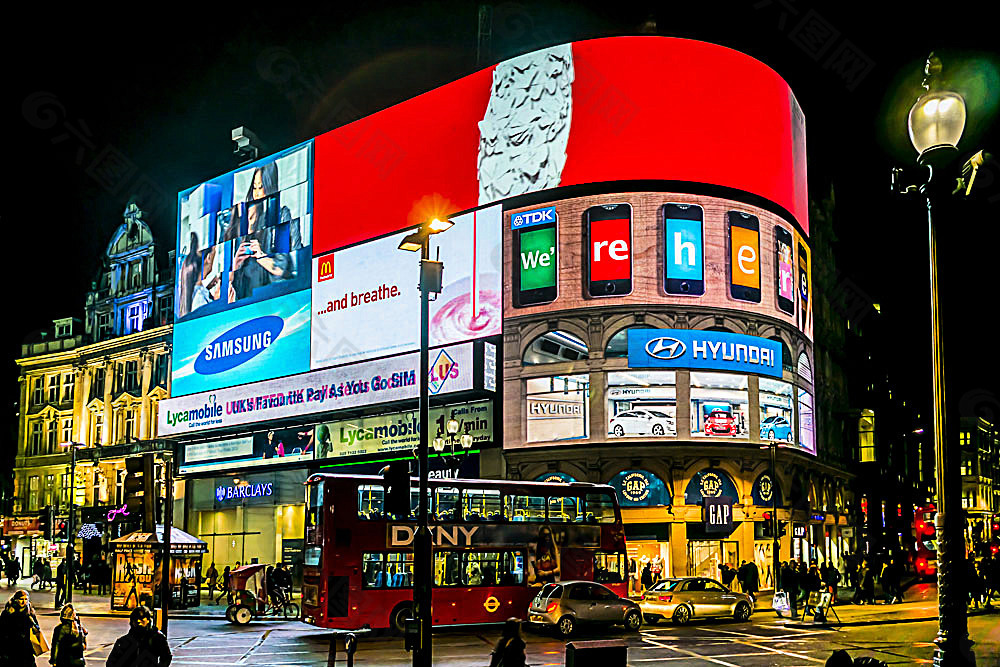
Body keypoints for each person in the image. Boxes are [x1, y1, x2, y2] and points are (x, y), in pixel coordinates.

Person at [107, 605, 172, 667]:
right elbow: (111, 662)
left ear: (148, 620)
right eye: (135, 619)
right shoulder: (123, 641)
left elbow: (166, 657)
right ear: (132, 622)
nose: (138, 621)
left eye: (141, 618)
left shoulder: (157, 638)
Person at [0, 590, 40, 666]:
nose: (23, 602)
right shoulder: (8, 613)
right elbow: (2, 631)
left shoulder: (30, 613)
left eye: (26, 599)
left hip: (26, 648)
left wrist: (34, 625)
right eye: (21, 599)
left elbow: (36, 628)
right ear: (16, 599)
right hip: (11, 648)